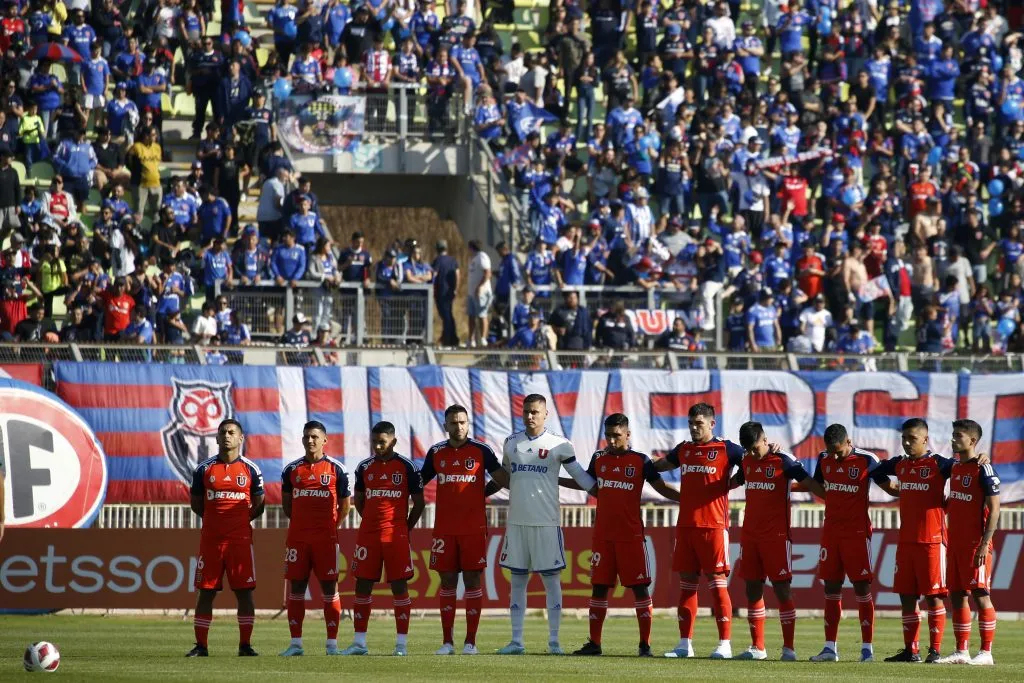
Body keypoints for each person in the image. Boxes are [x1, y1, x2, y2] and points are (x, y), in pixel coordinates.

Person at [563, 413, 680, 657]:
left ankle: (645, 645)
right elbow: (586, 482)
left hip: (631, 537)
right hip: (603, 537)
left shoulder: (640, 461)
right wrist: (556, 478)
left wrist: (688, 499)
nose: (612, 441)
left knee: (639, 589)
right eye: (608, 436)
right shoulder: (599, 458)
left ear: (628, 435)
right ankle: (594, 644)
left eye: (617, 436)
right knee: (599, 587)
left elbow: (660, 487)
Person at [497, 394, 596, 655]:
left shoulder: (560, 444)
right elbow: (504, 477)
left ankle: (554, 641)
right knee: (517, 581)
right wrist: (476, 493)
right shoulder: (510, 442)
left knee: (551, 581)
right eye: (526, 411)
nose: (530, 416)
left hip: (546, 524)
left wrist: (608, 491)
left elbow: (582, 478)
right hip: (517, 523)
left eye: (535, 412)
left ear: (545, 414)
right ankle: (516, 641)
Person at [654, 402, 744, 659]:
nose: (694, 428)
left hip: (713, 527)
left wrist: (731, 483)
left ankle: (725, 644)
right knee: (687, 587)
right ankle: (684, 644)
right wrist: (640, 461)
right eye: (691, 423)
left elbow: (752, 463)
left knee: (717, 586)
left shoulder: (727, 448)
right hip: (686, 527)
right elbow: (661, 465)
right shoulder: (684, 449)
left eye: (699, 424)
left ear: (712, 424)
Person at [419, 404, 509, 655]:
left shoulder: (481, 450)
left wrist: (483, 493)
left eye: (462, 422)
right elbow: (419, 482)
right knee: (447, 581)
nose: (458, 426)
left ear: (468, 424)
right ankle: (447, 642)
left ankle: (471, 642)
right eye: (453, 422)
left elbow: (503, 478)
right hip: (445, 529)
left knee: (471, 580)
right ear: (445, 425)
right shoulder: (436, 452)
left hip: (473, 528)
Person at [807, 423, 899, 663]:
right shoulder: (824, 458)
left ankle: (867, 648)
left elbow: (889, 487)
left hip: (857, 533)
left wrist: (917, 490)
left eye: (839, 451)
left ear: (849, 442)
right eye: (831, 451)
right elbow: (818, 485)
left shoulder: (866, 460)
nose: (834, 456)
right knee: (831, 588)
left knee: (861, 587)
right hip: (831, 532)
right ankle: (829, 648)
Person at [733, 421, 824, 661]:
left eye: (755, 448)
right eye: (748, 450)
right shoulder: (746, 460)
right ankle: (757, 647)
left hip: (776, 536)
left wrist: (831, 496)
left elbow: (810, 482)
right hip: (750, 535)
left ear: (764, 440)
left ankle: (789, 649)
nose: (752, 453)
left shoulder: (783, 459)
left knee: (782, 589)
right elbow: (735, 481)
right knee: (752, 589)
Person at [873, 418, 956, 663]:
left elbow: (967, 472)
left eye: (913, 439)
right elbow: (875, 470)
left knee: (934, 596)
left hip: (932, 541)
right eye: (904, 439)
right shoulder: (900, 464)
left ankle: (936, 650)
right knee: (906, 596)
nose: (907, 443)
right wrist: (893, 489)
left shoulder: (940, 464)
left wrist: (981, 457)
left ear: (925, 439)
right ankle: (912, 650)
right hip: (906, 541)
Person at [340, 421, 426, 656]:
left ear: (394, 441)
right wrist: (369, 520)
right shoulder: (364, 467)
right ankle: (359, 643)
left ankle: (401, 645)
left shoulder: (407, 467)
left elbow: (419, 503)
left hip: (395, 535)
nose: (378, 446)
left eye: (383, 442)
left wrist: (405, 527)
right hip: (368, 535)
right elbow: (359, 500)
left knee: (399, 586)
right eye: (375, 442)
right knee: (363, 585)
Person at [187, 419, 265, 657]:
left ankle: (245, 645)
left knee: (244, 593)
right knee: (206, 592)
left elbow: (259, 504)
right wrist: (216, 522)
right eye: (223, 433)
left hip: (240, 542)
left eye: (232, 432)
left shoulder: (251, 469)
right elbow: (197, 505)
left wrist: (239, 522)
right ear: (217, 438)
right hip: (211, 542)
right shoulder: (204, 469)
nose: (227, 436)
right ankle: (201, 646)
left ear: (241, 438)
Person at [280, 421, 351, 657]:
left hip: (326, 540)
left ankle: (332, 645)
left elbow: (345, 506)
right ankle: (295, 644)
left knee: (330, 588)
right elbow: (288, 506)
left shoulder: (336, 469)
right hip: (298, 539)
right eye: (306, 437)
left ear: (324, 440)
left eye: (314, 437)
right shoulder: (291, 470)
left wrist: (331, 526)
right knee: (297, 587)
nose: (310, 441)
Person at [936, 419, 999, 666]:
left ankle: (986, 652)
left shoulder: (983, 469)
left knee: (980, 594)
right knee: (957, 595)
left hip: (976, 544)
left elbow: (995, 510)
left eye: (958, 435)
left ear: (972, 440)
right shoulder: (953, 467)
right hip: (955, 543)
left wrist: (985, 543)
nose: (953, 439)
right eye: (952, 435)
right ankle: (961, 651)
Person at [466, 239, 492, 348]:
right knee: (471, 316)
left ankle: (483, 338)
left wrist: (479, 287)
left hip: (481, 292)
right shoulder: (472, 258)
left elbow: (487, 273)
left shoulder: (482, 256)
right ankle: (470, 339)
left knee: (482, 315)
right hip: (471, 293)